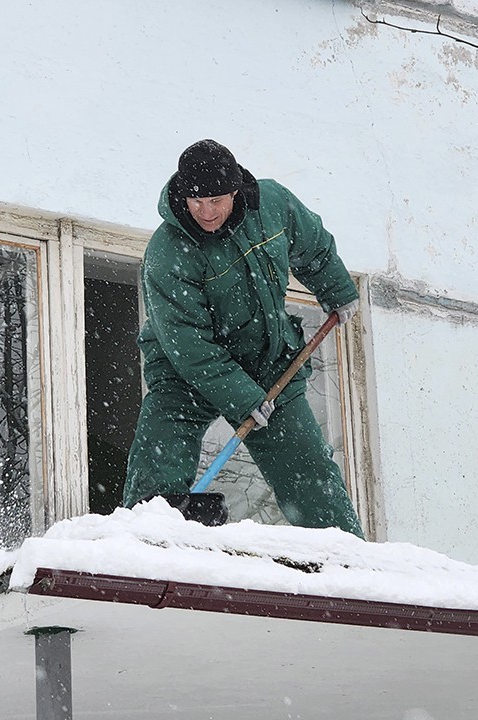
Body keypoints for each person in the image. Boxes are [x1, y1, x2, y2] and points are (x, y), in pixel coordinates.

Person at [122, 139, 364, 538]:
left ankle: (350, 564)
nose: (205, 211)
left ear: (236, 190)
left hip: (269, 362)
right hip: (186, 374)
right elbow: (190, 348)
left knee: (309, 472)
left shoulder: (272, 205)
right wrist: (243, 398)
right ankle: (142, 540)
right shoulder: (168, 252)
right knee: (159, 449)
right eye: (195, 201)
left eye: (216, 199)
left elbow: (313, 246)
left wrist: (337, 290)